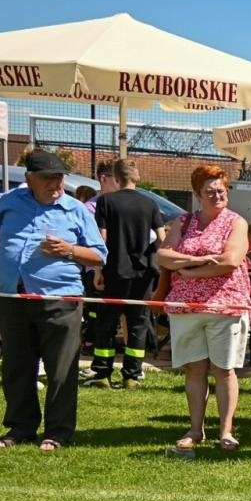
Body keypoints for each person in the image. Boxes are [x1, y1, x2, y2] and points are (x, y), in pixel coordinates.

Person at [0, 149, 106, 451]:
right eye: (49, 179)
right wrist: (2, 255)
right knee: (17, 366)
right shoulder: (10, 202)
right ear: (29, 179)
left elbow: (99, 255)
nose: (56, 185)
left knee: (61, 369)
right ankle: (20, 428)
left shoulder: (75, 210)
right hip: (14, 294)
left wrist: (68, 251)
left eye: (59, 178)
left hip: (60, 298)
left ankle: (58, 432)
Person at [155, 164, 251, 452]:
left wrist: (188, 270)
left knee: (224, 370)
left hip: (226, 306)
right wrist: (196, 261)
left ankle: (226, 431)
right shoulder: (184, 221)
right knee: (194, 369)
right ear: (197, 194)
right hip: (186, 307)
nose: (217, 195)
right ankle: (195, 429)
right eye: (210, 191)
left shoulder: (237, 222)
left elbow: (231, 260)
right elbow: (163, 255)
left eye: (221, 190)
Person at [86, 159, 164, 389]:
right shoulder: (150, 204)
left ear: (116, 179)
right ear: (136, 178)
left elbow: (102, 237)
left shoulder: (106, 201)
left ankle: (102, 373)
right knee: (138, 323)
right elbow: (161, 239)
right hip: (143, 274)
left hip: (114, 270)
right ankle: (132, 374)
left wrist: (98, 269)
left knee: (107, 323)